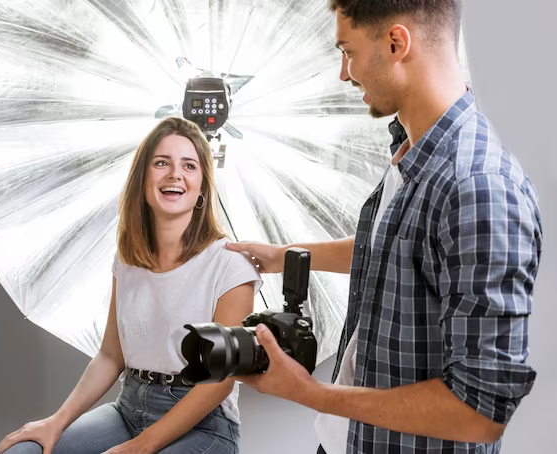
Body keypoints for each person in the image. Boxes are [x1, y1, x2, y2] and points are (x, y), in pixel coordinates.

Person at [227, 1, 542, 453]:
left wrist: (308, 392)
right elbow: (393, 248)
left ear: (396, 43)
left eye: (348, 52)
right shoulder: (415, 150)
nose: (343, 72)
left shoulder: (479, 187)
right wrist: (285, 255)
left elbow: (480, 412)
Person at [0, 117, 262, 454]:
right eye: (161, 162)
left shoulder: (230, 264)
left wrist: (140, 446)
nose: (174, 174)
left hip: (204, 422)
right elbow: (110, 356)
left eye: (189, 166)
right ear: (143, 179)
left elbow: (219, 384)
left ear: (202, 187)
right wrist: (56, 421)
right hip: (129, 408)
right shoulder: (129, 259)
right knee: (23, 452)